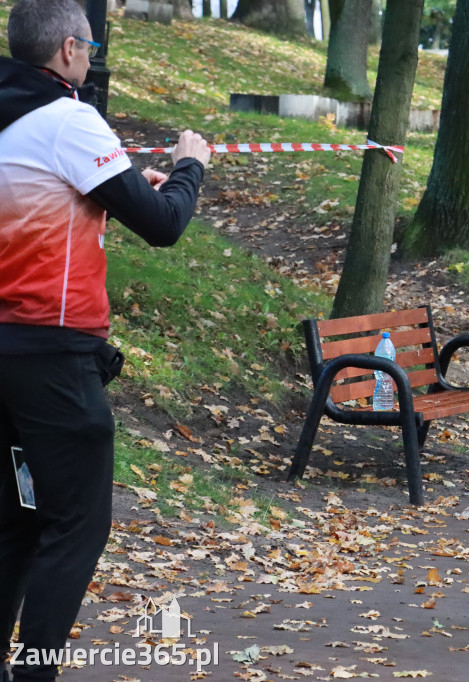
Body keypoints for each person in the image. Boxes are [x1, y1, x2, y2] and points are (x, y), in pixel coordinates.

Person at [0, 1, 211, 680]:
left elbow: (47, 207)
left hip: (7, 351)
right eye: (90, 46)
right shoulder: (67, 119)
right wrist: (189, 167)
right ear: (67, 50)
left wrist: (106, 192)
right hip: (53, 356)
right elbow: (163, 225)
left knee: (17, 523)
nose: (92, 57)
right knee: (75, 526)